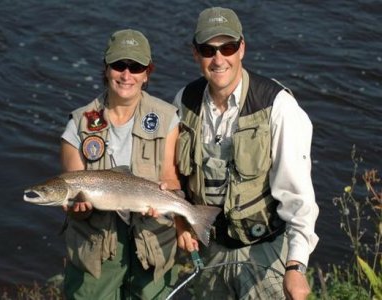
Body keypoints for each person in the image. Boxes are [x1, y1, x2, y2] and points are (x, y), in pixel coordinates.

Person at [173, 7, 319, 300]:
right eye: (207, 49)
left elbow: (299, 198)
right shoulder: (182, 101)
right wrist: (180, 222)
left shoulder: (278, 107)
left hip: (264, 253)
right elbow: (173, 176)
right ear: (195, 53)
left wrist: (296, 265)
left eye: (227, 47)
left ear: (242, 48)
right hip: (209, 251)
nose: (218, 59)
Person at [60, 29, 181, 299]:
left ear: (147, 73)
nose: (126, 75)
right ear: (106, 68)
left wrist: (166, 193)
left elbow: (171, 180)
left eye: (136, 67)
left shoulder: (167, 118)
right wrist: (77, 210)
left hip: (152, 242)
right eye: (119, 65)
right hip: (96, 249)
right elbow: (71, 202)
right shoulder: (77, 124)